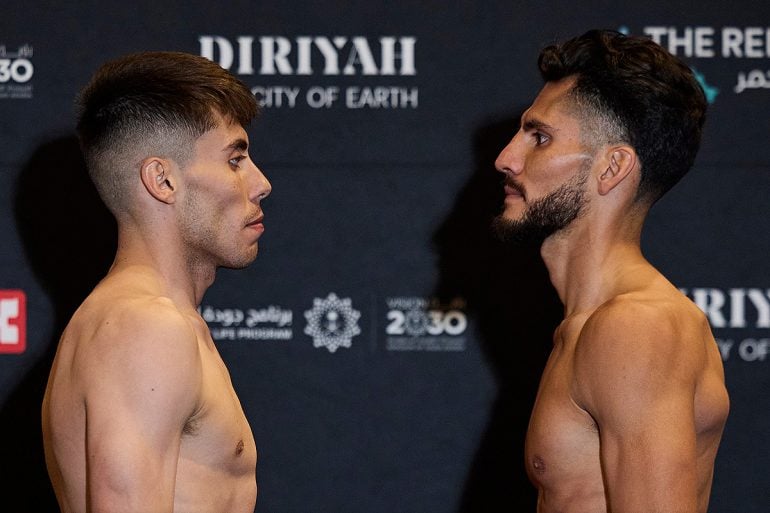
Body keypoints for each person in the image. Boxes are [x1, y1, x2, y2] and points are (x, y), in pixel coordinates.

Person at [493, 30, 729, 513]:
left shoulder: (633, 327)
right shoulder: (590, 324)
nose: (506, 158)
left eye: (539, 137)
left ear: (612, 168)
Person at [42, 51, 271, 513]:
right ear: (162, 181)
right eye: (235, 159)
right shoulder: (145, 327)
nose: (261, 182)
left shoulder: (139, 321)